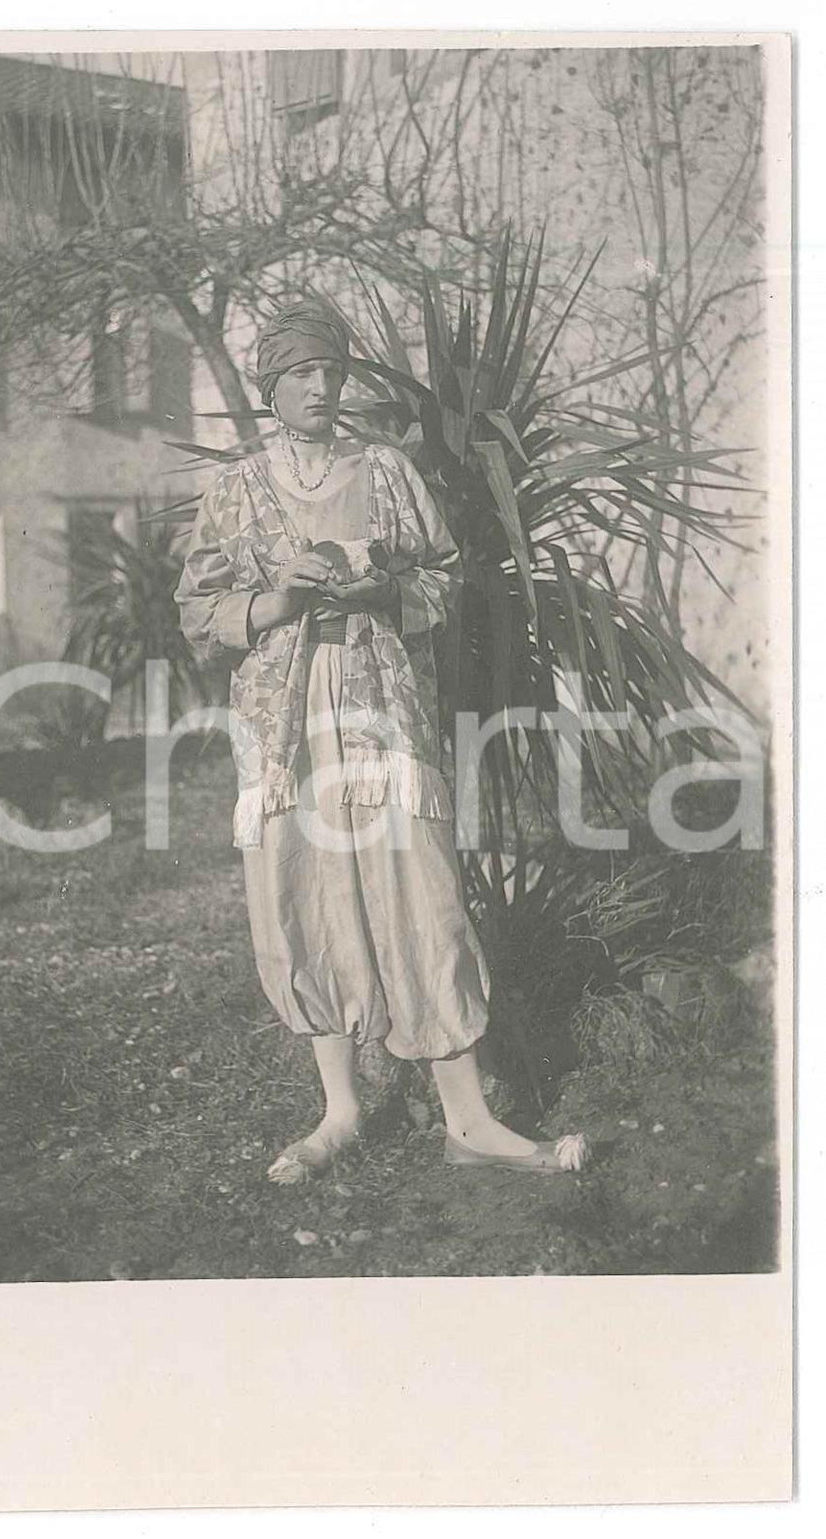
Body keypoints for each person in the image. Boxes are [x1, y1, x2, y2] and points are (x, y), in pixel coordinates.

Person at [175, 300, 589, 1183]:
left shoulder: (390, 472)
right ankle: (341, 1109)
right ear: (271, 388)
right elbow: (198, 613)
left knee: (421, 894)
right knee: (304, 892)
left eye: (331, 371)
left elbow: (445, 577)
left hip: (383, 715)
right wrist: (278, 600)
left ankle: (469, 1119)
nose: (322, 387)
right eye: (302, 375)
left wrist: (381, 592)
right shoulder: (237, 490)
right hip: (286, 730)